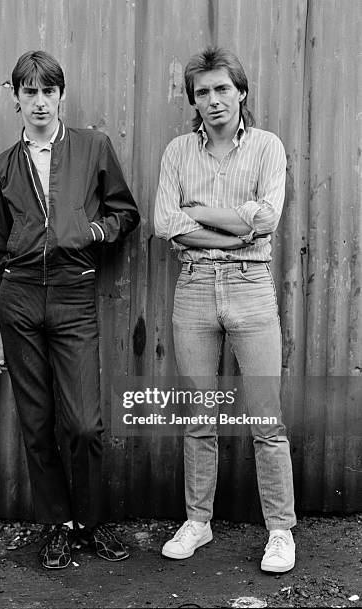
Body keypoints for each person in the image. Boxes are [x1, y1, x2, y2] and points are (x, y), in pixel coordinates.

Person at [0, 50, 139, 569]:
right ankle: (56, 525)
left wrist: (93, 232)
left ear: (61, 95)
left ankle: (91, 523)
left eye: (48, 91)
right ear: (16, 98)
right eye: (29, 92)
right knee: (36, 421)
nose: (40, 101)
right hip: (19, 297)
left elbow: (125, 213)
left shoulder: (93, 147)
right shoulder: (1, 167)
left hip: (73, 293)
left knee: (84, 424)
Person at [153, 47, 296, 573]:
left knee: (266, 419)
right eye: (203, 92)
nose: (213, 101)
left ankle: (280, 530)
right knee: (198, 416)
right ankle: (198, 521)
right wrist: (234, 228)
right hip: (192, 288)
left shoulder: (267, 148)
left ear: (241, 92)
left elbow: (266, 218)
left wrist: (204, 216)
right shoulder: (176, 153)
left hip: (250, 284)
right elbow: (167, 222)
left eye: (222, 90)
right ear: (193, 100)